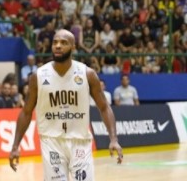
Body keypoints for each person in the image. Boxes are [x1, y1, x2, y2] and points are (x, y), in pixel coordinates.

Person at [9, 30, 123, 179]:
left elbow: (104, 107)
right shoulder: (38, 76)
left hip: (80, 141)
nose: (58, 46)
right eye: (55, 42)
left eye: (63, 43)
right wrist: (15, 146)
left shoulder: (87, 74)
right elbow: (26, 111)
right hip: (51, 141)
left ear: (73, 47)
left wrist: (113, 139)